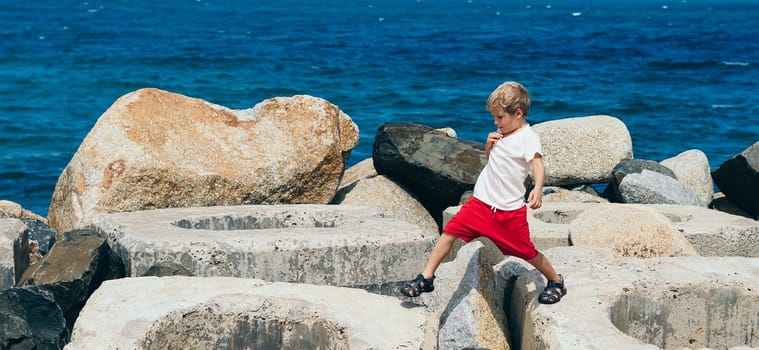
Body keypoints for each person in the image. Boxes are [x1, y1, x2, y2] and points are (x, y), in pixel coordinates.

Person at [399, 81, 566, 304]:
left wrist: (537, 189)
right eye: (494, 117)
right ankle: (426, 277)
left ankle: (555, 280)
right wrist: (489, 145)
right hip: (481, 204)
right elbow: (492, 160)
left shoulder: (528, 138)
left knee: (527, 252)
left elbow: (537, 164)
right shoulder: (501, 133)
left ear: (518, 114)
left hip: (508, 212)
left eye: (499, 117)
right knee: (449, 232)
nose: (495, 122)